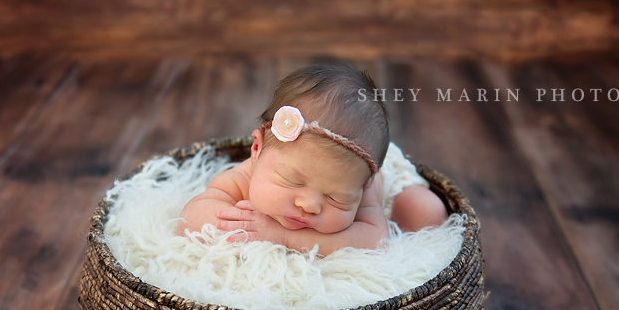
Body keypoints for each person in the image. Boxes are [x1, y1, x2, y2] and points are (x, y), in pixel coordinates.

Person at [177, 63, 448, 255]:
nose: (309, 205)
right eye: (292, 181)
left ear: (363, 186)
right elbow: (191, 218)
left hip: (388, 176)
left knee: (425, 211)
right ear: (257, 150)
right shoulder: (243, 176)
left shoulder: (356, 183)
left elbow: (375, 242)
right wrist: (242, 226)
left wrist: (283, 237)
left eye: (334, 198)